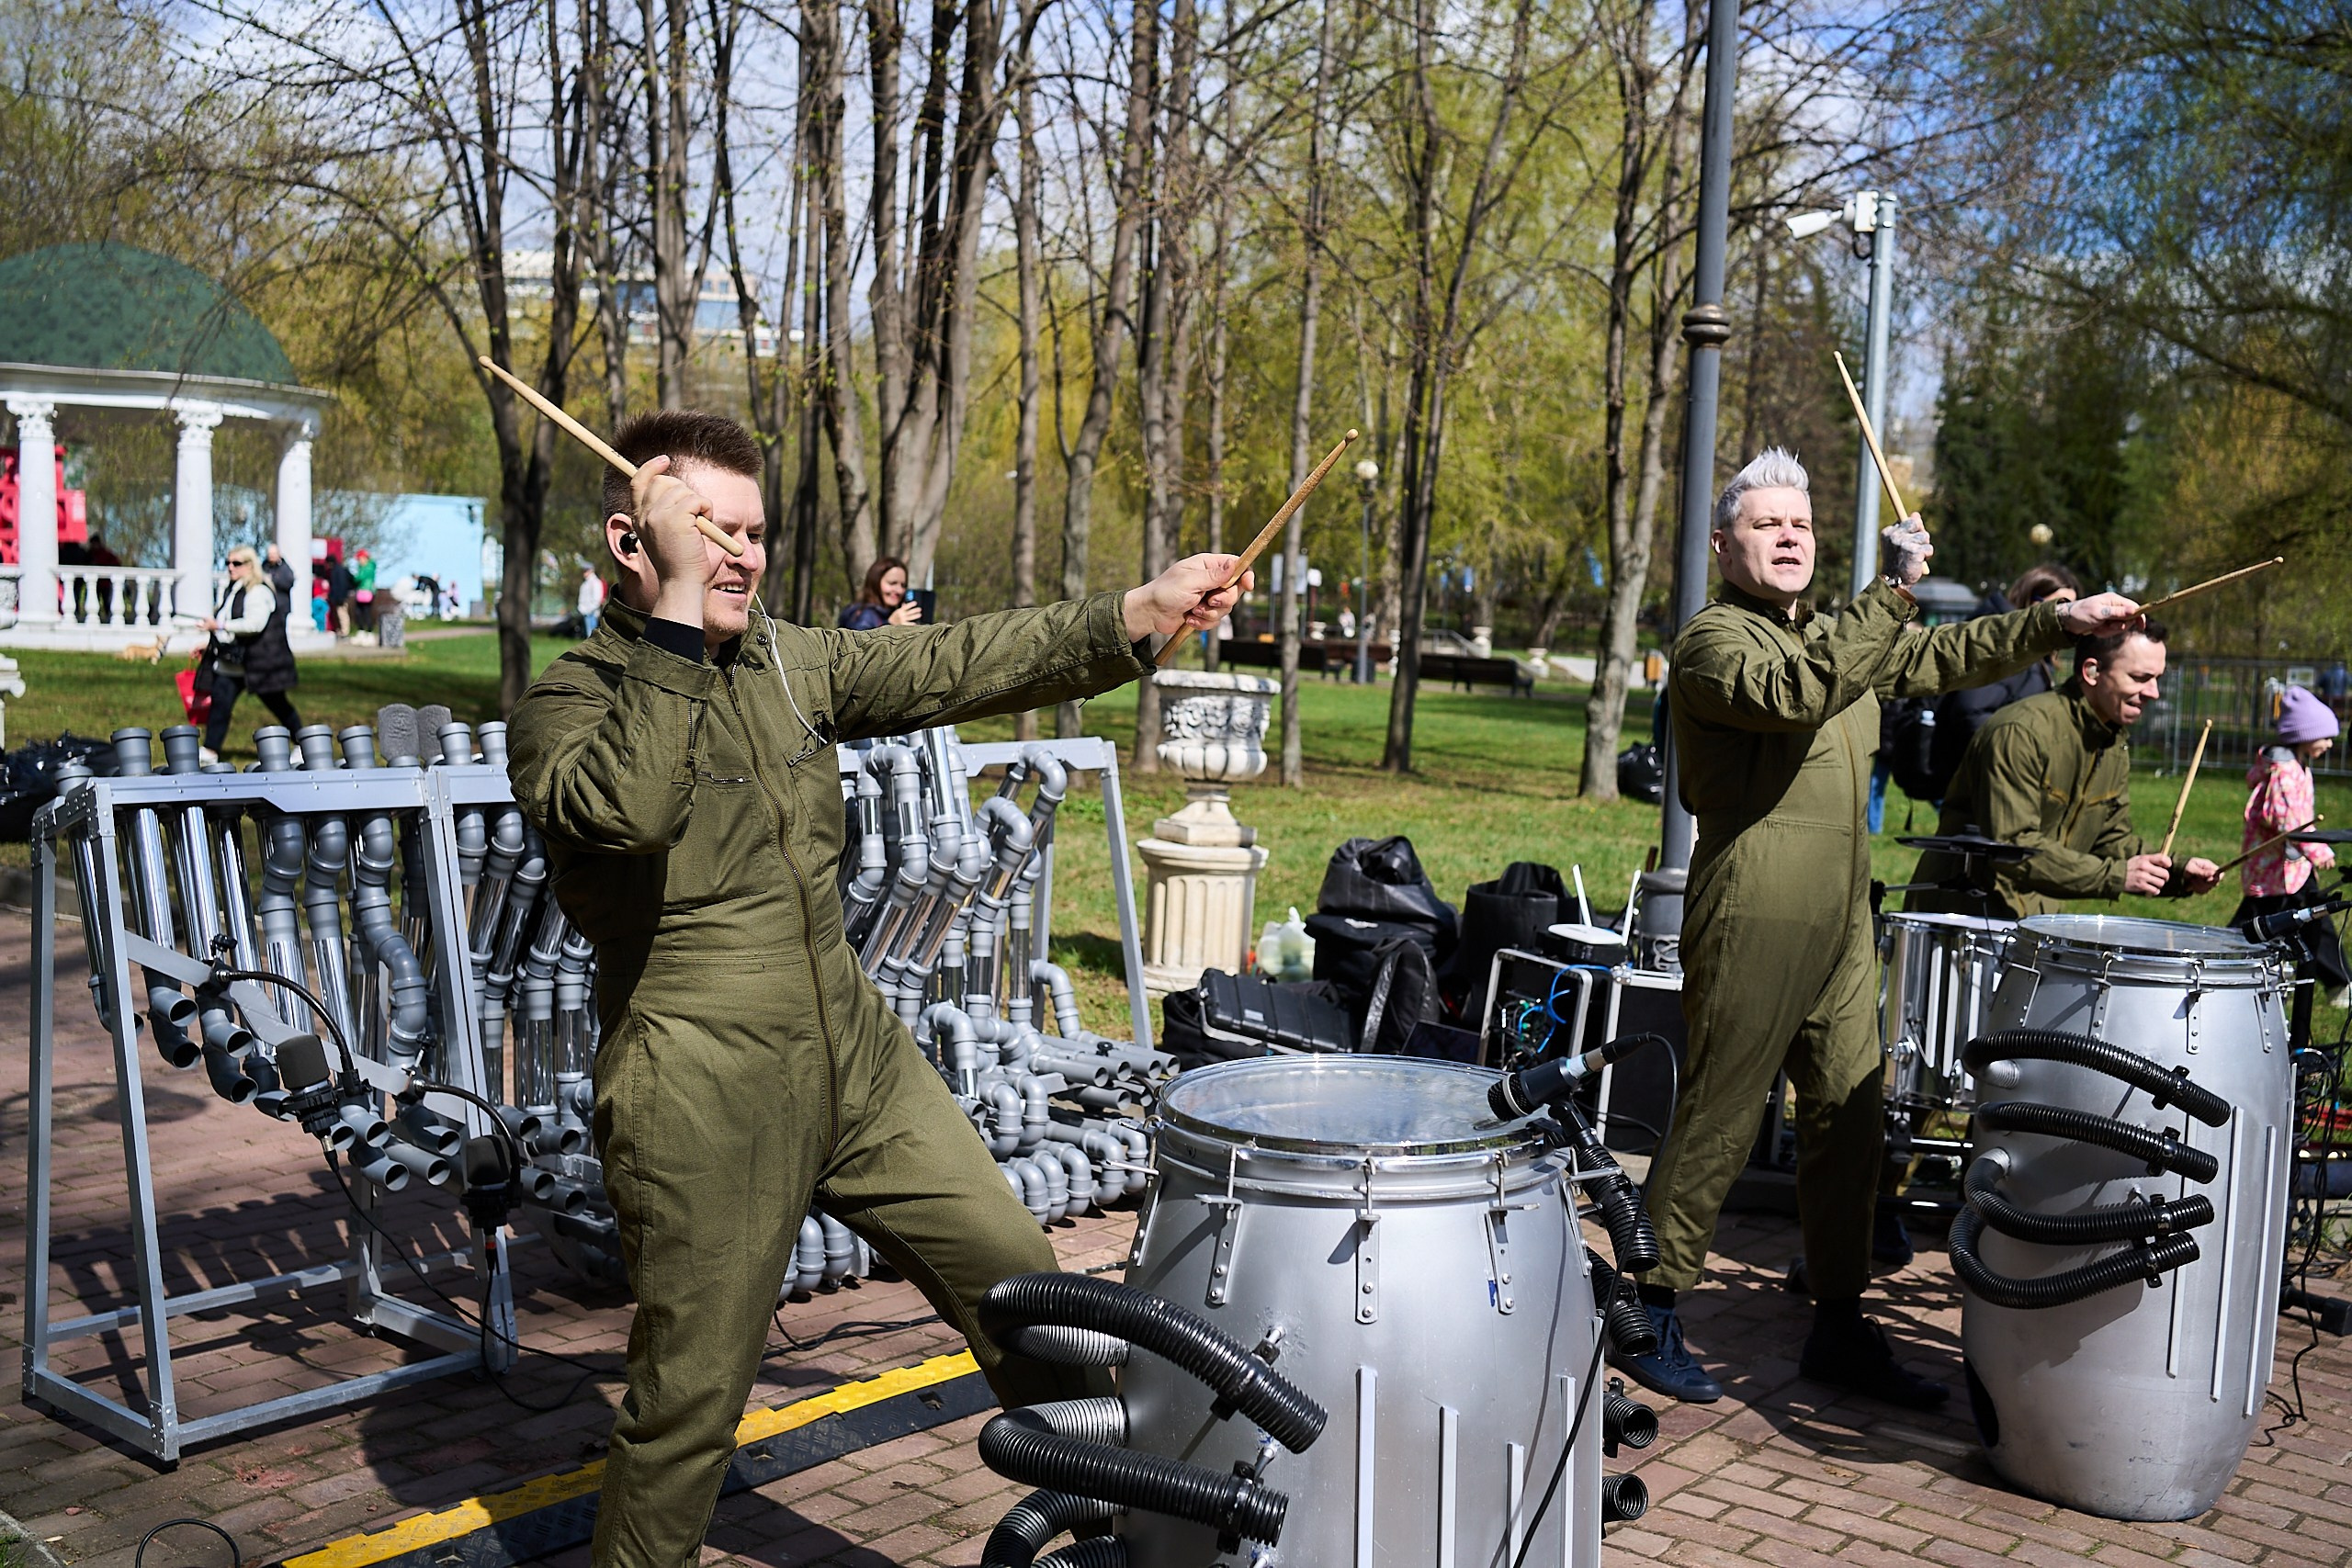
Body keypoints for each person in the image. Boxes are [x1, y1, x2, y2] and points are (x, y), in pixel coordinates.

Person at [505, 410, 1248, 1568]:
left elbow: (957, 661)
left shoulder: (793, 662)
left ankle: (1114, 1529)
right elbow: (632, 810)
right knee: (687, 1410)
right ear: (632, 537)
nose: (741, 556)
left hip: (855, 1053)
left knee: (1026, 1289)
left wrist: (1135, 616)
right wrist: (675, 628)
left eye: (753, 532)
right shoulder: (572, 700)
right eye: (710, 530)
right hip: (698, 1077)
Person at [1620, 446, 2143, 1410]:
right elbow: (1799, 692)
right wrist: (1891, 589)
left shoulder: (1837, 631)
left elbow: (1943, 656)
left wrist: (2053, 622)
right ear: (1723, 542)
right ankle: (1647, 1303)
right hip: (1754, 897)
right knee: (1724, 1111)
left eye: (1801, 524)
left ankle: (1838, 1319)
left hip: (1842, 911)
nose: (1788, 536)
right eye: (1767, 523)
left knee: (1849, 1119)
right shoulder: (1711, 643)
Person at [1907, 621, 2222, 918]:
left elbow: (2110, 841)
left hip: (2034, 922)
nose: (2154, 693)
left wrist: (2178, 871)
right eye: (2140, 678)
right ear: (2092, 671)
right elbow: (2012, 847)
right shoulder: (2021, 732)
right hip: (1962, 920)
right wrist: (2117, 876)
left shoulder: (2111, 740)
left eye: (2157, 679)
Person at [2233, 686, 2348, 1002]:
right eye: (2324, 737)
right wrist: (2319, 850)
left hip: (2292, 867)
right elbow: (2289, 823)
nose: (2329, 743)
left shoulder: (2297, 765)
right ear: (2303, 735)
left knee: (2313, 919)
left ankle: (2336, 981)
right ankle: (2232, 965)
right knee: (2259, 924)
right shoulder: (2285, 772)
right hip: (2275, 870)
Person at [198, 546, 303, 762]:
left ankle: (304, 744)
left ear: (249, 565)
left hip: (261, 661)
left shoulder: (258, 591)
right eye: (228, 563)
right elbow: (228, 623)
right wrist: (210, 642)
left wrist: (218, 625)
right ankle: (210, 750)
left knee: (278, 704)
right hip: (233, 661)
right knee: (220, 702)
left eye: (236, 563)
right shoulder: (235, 588)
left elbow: (254, 624)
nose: (230, 567)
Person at [838, 555, 922, 629]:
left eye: (903, 585)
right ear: (876, 582)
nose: (899, 590)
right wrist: (890, 625)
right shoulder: (864, 615)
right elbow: (859, 645)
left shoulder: (891, 614)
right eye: (892, 583)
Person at [327, 552, 356, 637]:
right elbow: (352, 580)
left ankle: (344, 631)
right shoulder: (343, 569)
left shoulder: (335, 571)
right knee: (342, 613)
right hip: (343, 596)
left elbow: (336, 586)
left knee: (342, 614)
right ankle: (343, 630)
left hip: (339, 597)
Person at [577, 566, 606, 636]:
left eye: (586, 571)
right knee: (588, 634)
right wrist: (581, 608)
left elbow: (597, 599)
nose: (584, 573)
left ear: (591, 571)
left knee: (592, 635)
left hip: (591, 612)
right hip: (586, 612)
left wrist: (588, 609)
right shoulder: (585, 583)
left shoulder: (595, 582)